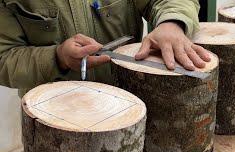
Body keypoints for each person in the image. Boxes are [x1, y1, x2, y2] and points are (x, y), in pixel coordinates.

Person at [0, 0, 210, 96]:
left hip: (130, 102)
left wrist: (171, 23)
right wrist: (57, 57)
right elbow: (4, 58)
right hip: (52, 119)